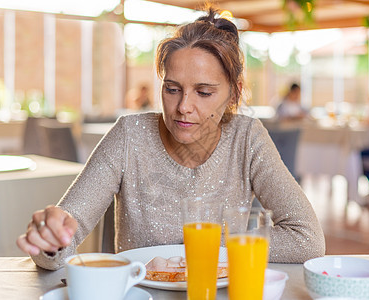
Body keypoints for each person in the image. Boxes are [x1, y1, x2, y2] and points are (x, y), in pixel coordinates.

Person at [17, 7, 325, 270]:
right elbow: (58, 248)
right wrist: (51, 241)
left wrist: (203, 246)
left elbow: (308, 239)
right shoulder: (129, 136)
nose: (183, 107)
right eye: (172, 88)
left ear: (234, 93)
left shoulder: (247, 138)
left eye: (204, 92)